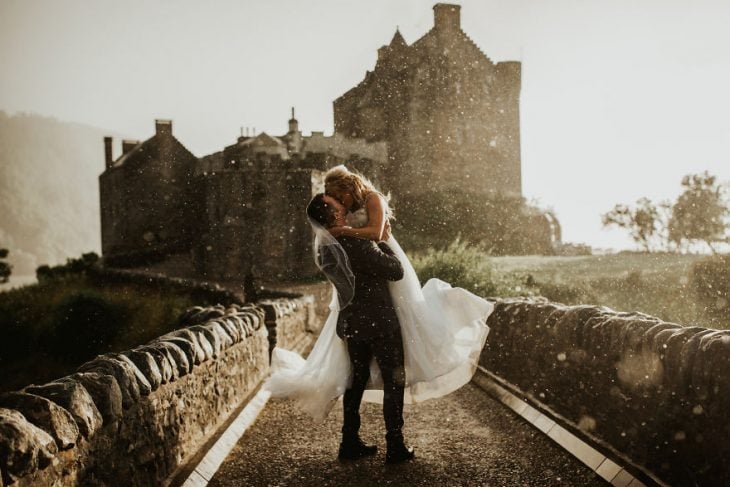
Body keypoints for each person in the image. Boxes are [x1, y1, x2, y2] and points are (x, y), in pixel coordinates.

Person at [307, 193, 414, 463]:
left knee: (356, 379)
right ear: (332, 214)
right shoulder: (355, 242)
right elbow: (395, 270)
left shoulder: (325, 249)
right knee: (393, 379)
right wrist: (383, 240)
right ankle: (395, 445)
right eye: (334, 204)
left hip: (352, 322)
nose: (341, 205)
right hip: (379, 320)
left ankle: (349, 441)